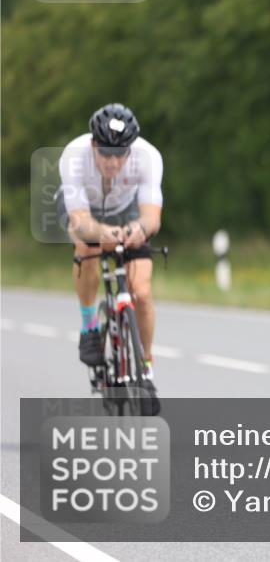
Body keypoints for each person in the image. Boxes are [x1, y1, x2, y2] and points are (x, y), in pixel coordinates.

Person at [56, 103, 163, 412]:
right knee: (88, 246)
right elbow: (79, 219)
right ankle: (90, 325)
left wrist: (137, 229)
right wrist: (103, 232)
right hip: (86, 210)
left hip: (127, 209)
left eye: (121, 154)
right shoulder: (74, 156)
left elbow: (151, 217)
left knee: (141, 292)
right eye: (106, 154)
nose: (113, 162)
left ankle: (145, 365)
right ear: (93, 145)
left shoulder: (149, 157)